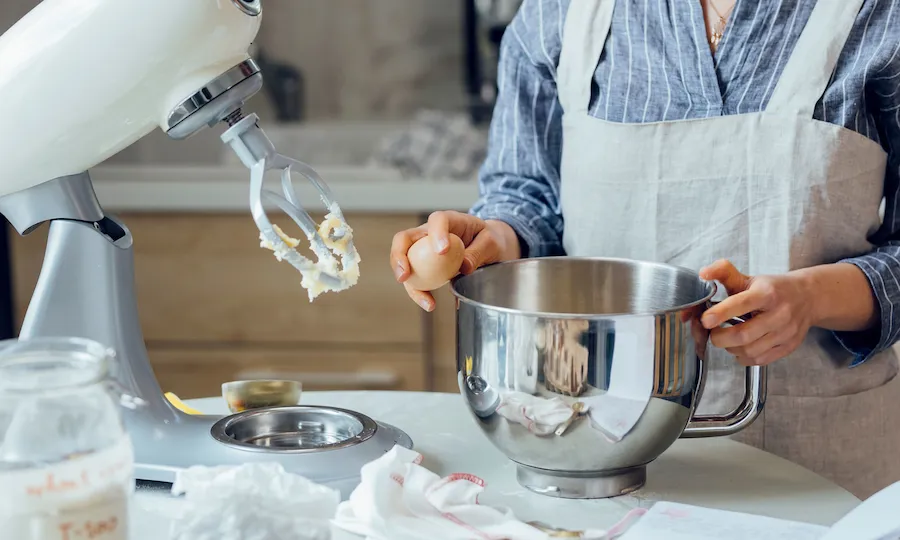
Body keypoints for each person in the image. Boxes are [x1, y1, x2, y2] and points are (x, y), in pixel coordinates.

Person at [389, 0, 900, 499]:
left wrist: (811, 298)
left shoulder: (880, 16)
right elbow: (529, 194)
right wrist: (492, 242)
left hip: (811, 469)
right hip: (588, 461)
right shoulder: (558, 14)